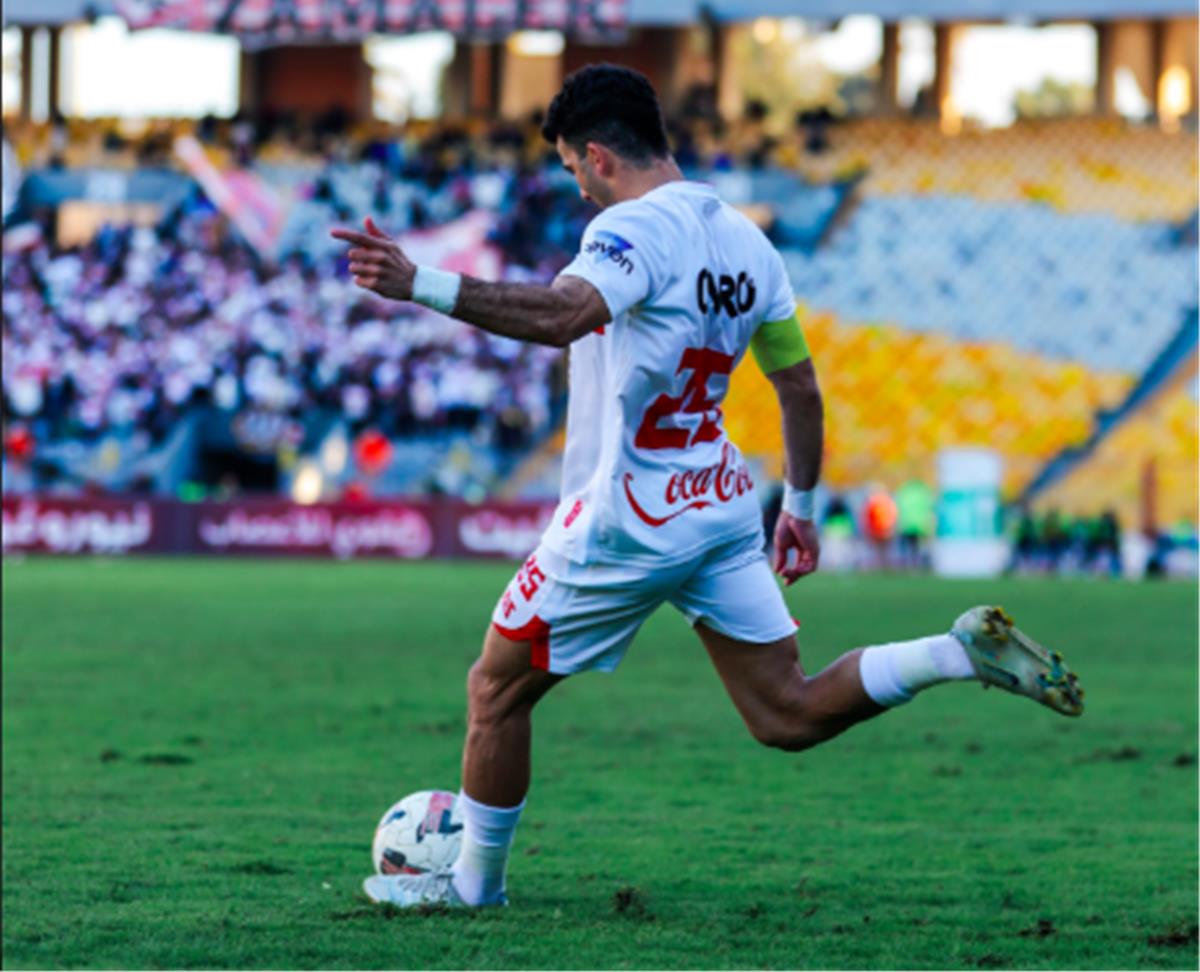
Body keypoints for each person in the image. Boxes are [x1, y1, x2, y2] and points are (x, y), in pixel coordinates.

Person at [331, 64, 1085, 910]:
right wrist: (797, 508)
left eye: (574, 172)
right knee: (785, 713)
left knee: (495, 689)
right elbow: (798, 386)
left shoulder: (631, 232)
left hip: (628, 517)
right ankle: (955, 652)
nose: (578, 192)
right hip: (720, 505)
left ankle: (473, 887)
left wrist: (417, 283)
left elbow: (561, 316)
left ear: (596, 155)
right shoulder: (746, 240)